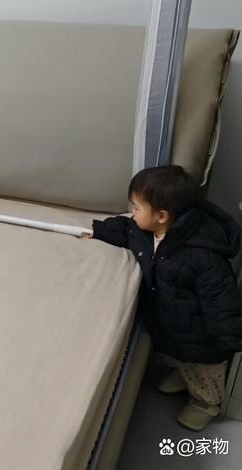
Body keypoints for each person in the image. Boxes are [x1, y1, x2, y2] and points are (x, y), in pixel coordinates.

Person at [89, 165, 242, 431]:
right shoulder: (147, 231)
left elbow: (221, 297)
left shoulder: (202, 255)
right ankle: (183, 376)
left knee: (203, 372)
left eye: (137, 207)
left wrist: (228, 336)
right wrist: (101, 231)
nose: (132, 213)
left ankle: (206, 403)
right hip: (170, 324)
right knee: (178, 358)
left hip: (201, 336)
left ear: (162, 216)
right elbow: (126, 230)